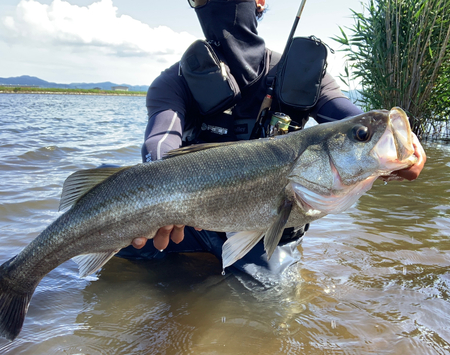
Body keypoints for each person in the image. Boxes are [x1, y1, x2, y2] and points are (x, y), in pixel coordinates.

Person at [116, 0, 426, 283]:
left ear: (261, 2)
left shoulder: (305, 76)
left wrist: (400, 148)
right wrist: (159, 197)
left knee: (266, 316)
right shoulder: (173, 82)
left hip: (272, 231)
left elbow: (352, 124)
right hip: (187, 225)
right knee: (112, 265)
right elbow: (160, 143)